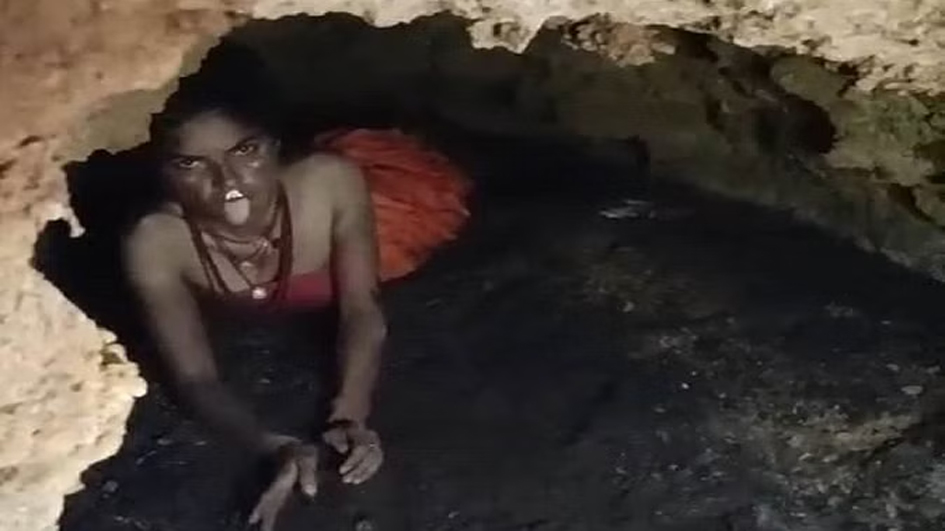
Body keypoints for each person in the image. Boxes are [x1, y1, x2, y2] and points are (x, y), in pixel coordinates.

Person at [122, 58, 469, 531]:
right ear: (161, 173)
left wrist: (349, 414)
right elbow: (195, 376)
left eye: (246, 151)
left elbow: (361, 309)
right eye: (190, 164)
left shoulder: (328, 184)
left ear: (274, 145)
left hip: (391, 212)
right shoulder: (156, 240)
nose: (228, 182)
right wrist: (269, 444)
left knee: (443, 183)